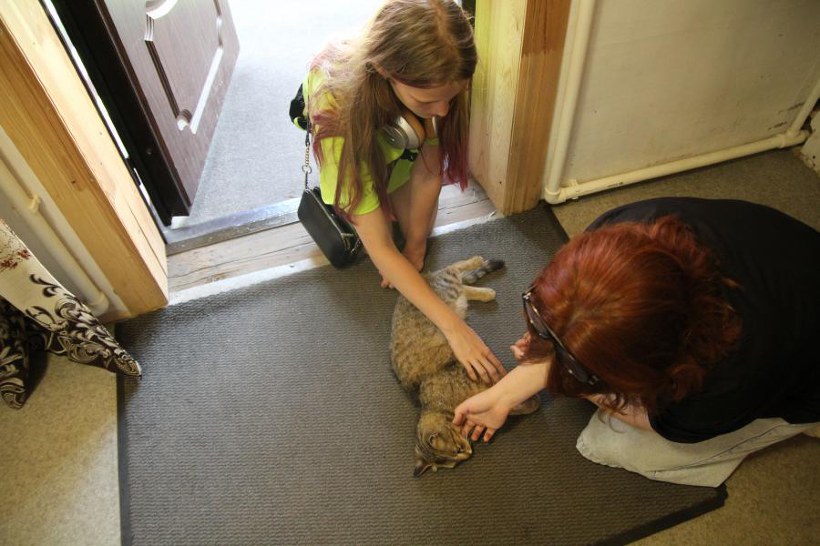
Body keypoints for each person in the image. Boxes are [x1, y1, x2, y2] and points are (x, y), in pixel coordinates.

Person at [453, 197, 820, 487]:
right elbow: (585, 317)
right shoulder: (618, 232)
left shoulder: (726, 381)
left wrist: (577, 386)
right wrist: (504, 394)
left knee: (605, 445)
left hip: (807, 379)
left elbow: (659, 421)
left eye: (583, 370)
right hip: (792, 266)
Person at [294, 0, 504, 384]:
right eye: (427, 101)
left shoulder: (433, 91)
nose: (443, 111)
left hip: (382, 108)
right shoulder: (336, 114)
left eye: (452, 97)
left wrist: (416, 248)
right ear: (386, 73)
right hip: (346, 114)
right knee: (374, 216)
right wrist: (454, 327)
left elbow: (428, 174)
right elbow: (379, 246)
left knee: (412, 224)